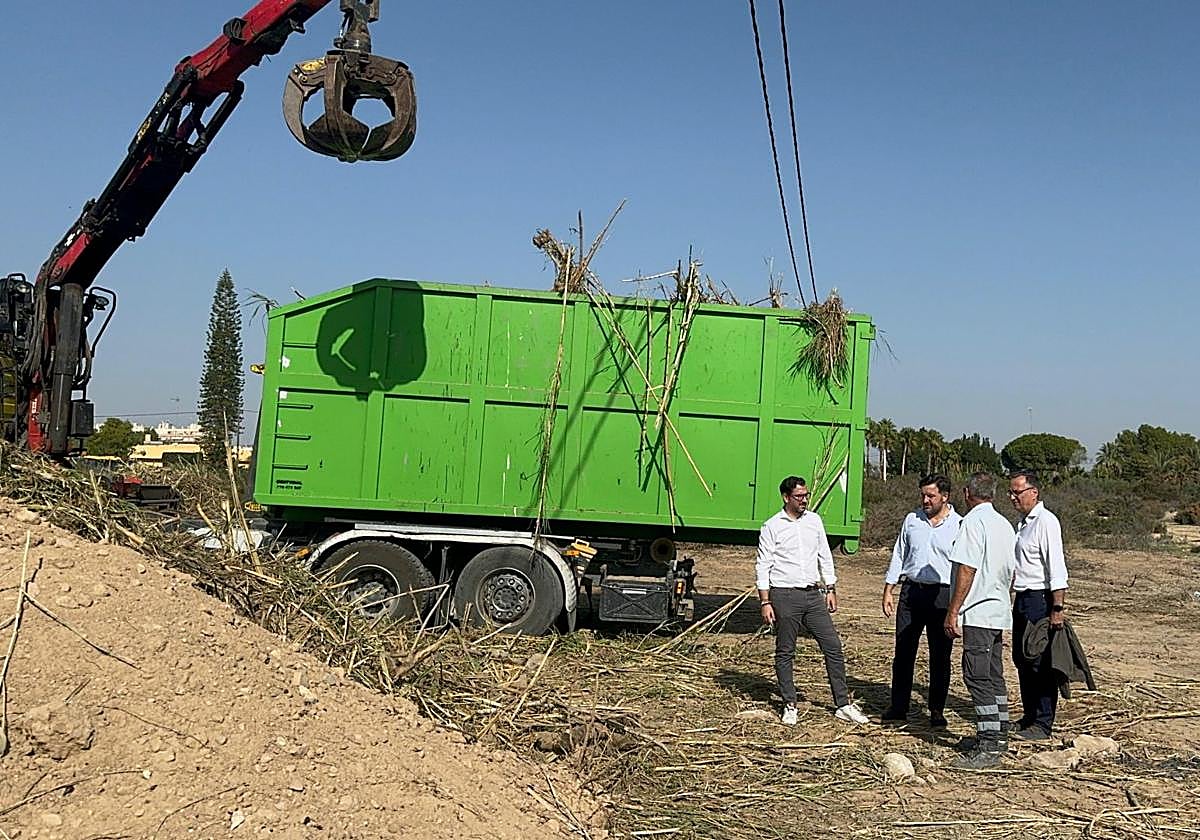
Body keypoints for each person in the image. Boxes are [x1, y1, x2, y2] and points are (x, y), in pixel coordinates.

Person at [756, 476, 869, 726]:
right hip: (784, 595)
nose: (804, 500)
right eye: (799, 496)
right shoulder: (772, 526)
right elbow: (763, 565)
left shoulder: (814, 521)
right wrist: (765, 601)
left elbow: (824, 555)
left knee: (833, 646)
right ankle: (789, 703)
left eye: (806, 495)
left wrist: (830, 587)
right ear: (786, 497)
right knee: (786, 651)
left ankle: (842, 704)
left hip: (813, 594)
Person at [944, 472, 1016, 769]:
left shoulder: (973, 522)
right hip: (997, 608)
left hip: (978, 611)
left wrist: (953, 609)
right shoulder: (1004, 524)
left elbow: (967, 568)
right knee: (994, 674)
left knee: (977, 676)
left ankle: (989, 745)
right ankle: (999, 734)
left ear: (966, 492)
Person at [881, 474, 962, 727]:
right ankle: (899, 706)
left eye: (931, 496)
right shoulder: (912, 520)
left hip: (942, 596)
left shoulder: (959, 525)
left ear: (945, 497)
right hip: (912, 592)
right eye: (923, 495)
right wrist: (889, 588)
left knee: (940, 655)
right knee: (904, 651)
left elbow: (964, 567)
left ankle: (937, 709)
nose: (925, 500)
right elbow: (899, 554)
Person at [1008, 469, 1069, 740]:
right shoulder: (1022, 523)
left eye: (1017, 492)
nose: (1013, 497)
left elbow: (1056, 568)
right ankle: (1030, 715)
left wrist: (1057, 608)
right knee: (1022, 660)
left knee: (1039, 663)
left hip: (1039, 600)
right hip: (1022, 598)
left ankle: (1043, 723)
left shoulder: (1046, 522)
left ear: (1034, 492)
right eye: (1011, 492)